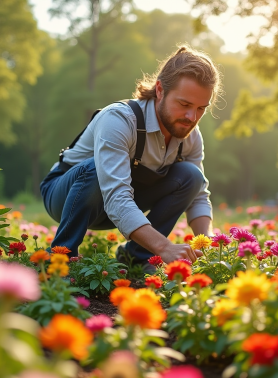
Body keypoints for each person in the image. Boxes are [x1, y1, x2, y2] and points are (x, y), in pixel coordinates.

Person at [40, 45, 221, 268]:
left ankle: (137, 257)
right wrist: (164, 247)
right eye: (184, 104)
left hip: (121, 203)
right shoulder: (119, 120)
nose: (192, 117)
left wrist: (211, 245)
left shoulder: (190, 135)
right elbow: (116, 196)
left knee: (191, 176)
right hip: (66, 196)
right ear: (160, 90)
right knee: (95, 169)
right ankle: (61, 258)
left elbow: (198, 196)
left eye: (201, 108)